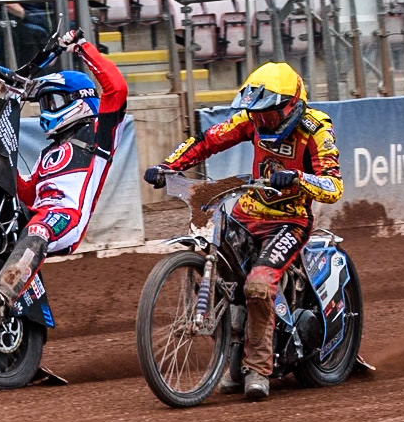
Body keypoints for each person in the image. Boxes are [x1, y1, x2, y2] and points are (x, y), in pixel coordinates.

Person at [142, 62, 343, 400]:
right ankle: (232, 350)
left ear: (291, 106)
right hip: (247, 212)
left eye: (268, 114)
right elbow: (207, 141)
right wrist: (168, 166)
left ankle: (258, 369)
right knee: (218, 271)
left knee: (259, 284)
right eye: (257, 114)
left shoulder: (315, 129)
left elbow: (334, 186)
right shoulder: (250, 121)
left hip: (289, 219)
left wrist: (298, 179)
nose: (261, 120)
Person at [0, 29, 128, 332]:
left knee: (37, 226)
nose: (48, 111)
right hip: (38, 212)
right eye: (44, 104)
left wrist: (82, 47)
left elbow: (118, 90)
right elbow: (28, 193)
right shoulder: (50, 151)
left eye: (54, 102)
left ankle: (3, 298)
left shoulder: (100, 133)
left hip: (66, 218)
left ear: (80, 101)